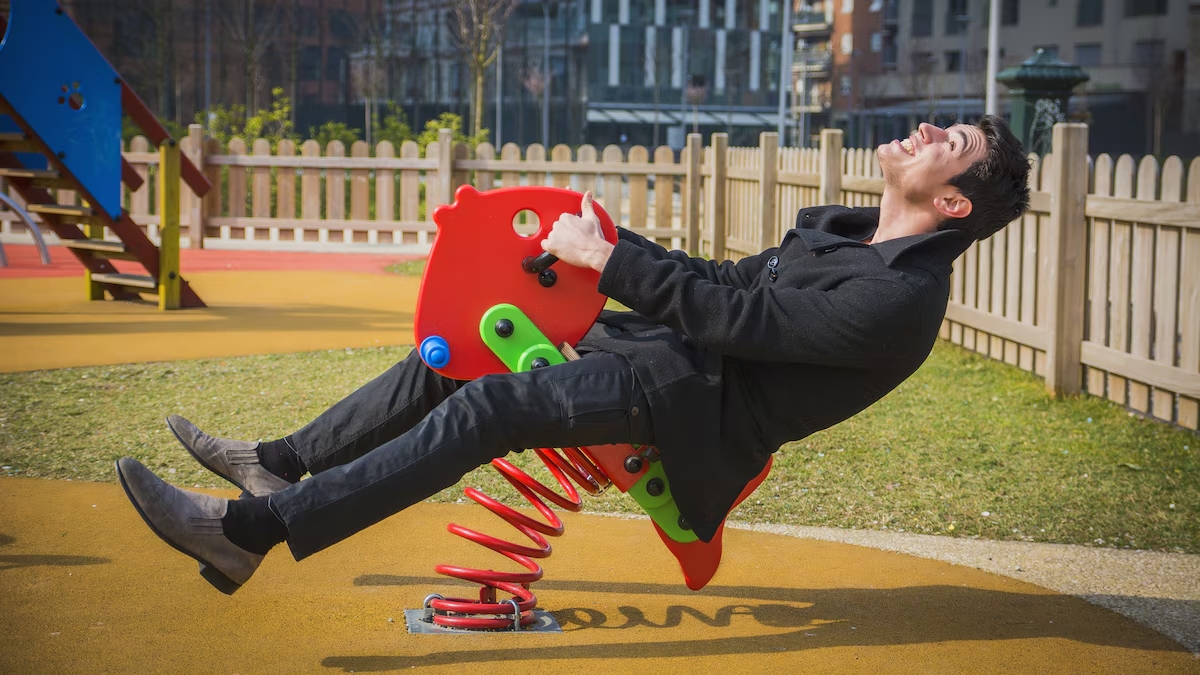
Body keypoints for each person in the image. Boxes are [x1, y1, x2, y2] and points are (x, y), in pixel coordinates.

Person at [116, 116, 1031, 593]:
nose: (926, 131)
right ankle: (279, 463)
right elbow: (723, 278)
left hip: (693, 413)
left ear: (954, 204)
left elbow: (732, 322)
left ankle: (249, 534)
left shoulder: (898, 301)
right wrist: (609, 239)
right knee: (463, 347)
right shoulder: (849, 236)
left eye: (949, 143)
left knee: (491, 406)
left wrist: (614, 263)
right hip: (664, 359)